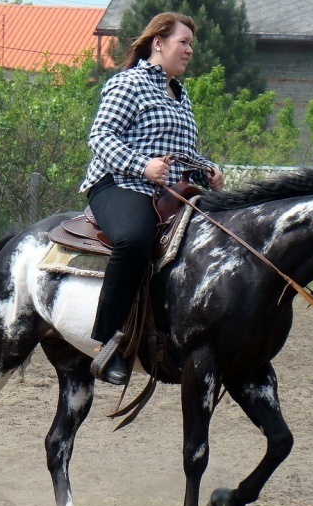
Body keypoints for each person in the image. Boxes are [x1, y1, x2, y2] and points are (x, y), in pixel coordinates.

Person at [80, 11, 225, 385]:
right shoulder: (128, 83)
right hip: (119, 186)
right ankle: (107, 343)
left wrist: (208, 170)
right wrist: (143, 166)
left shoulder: (181, 94)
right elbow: (101, 137)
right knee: (134, 240)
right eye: (184, 42)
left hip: (170, 196)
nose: (190, 50)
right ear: (158, 43)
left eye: (192, 44)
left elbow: (183, 153)